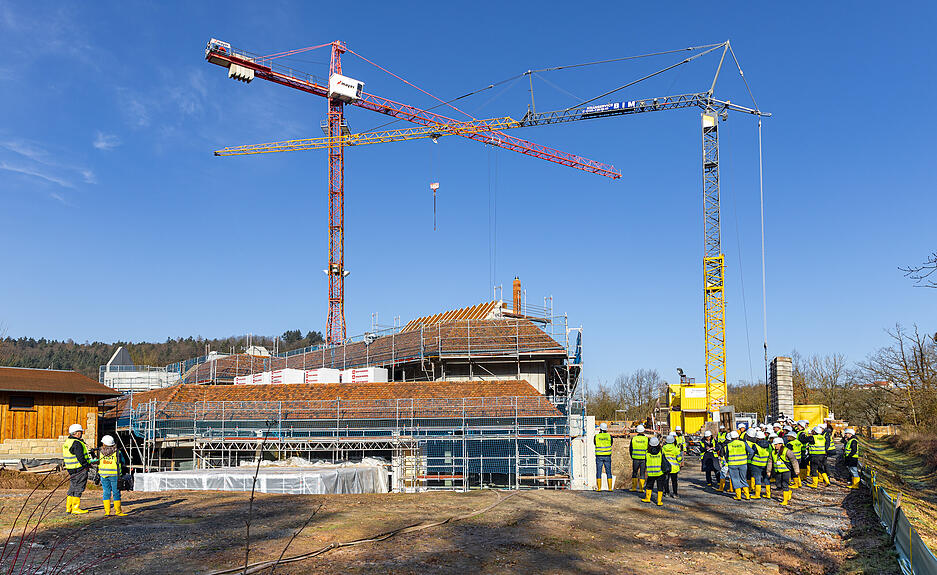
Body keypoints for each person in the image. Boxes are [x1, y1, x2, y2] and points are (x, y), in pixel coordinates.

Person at [62, 423, 95, 514]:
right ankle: (75, 508)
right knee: (79, 487)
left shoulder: (68, 442)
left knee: (72, 487)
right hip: (79, 469)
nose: (81, 434)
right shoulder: (77, 443)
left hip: (71, 469)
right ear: (76, 433)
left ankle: (69, 508)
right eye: (80, 432)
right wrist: (86, 465)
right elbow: (80, 457)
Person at [98, 435, 128, 516]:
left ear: (103, 443)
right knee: (116, 492)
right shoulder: (117, 452)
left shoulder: (100, 452)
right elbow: (123, 462)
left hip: (103, 475)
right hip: (115, 475)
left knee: (106, 492)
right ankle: (118, 511)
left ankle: (107, 512)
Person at [767, 437, 800, 506]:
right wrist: (768, 471)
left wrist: (796, 470)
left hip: (786, 471)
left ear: (781, 444)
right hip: (778, 471)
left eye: (776, 444)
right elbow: (770, 462)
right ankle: (789, 492)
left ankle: (785, 500)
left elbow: (794, 461)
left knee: (785, 485)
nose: (775, 446)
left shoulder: (787, 451)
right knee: (779, 485)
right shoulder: (773, 452)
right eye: (774, 444)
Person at [640, 436, 672, 506]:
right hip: (660, 472)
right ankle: (659, 501)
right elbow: (664, 461)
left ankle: (648, 498)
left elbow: (645, 462)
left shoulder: (647, 453)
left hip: (651, 473)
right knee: (660, 487)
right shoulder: (661, 451)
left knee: (649, 486)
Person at [724, 430, 752, 500]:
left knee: (735, 479)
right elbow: (751, 452)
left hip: (732, 464)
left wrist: (728, 461)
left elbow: (726, 455)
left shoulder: (729, 445)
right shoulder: (743, 443)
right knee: (743, 479)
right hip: (743, 464)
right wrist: (747, 459)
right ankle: (747, 495)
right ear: (738, 437)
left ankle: (738, 496)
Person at [749, 431, 771, 499]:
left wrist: (749, 461)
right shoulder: (769, 445)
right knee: (766, 479)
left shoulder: (755, 445)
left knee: (757, 479)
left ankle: (757, 495)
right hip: (766, 464)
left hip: (756, 465)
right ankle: (768, 494)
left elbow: (752, 454)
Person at [629, 425, 649, 492]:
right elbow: (649, 449)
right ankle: (641, 488)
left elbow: (630, 449)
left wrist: (632, 456)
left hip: (635, 458)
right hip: (644, 458)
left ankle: (634, 488)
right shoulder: (646, 439)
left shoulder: (634, 439)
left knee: (635, 472)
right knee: (642, 473)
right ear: (643, 431)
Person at [594, 422, 613, 491]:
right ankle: (610, 488)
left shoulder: (596, 436)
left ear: (600, 429)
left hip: (599, 456)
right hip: (607, 456)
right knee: (609, 471)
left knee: (599, 472)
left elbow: (595, 443)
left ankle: (599, 488)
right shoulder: (609, 436)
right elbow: (611, 444)